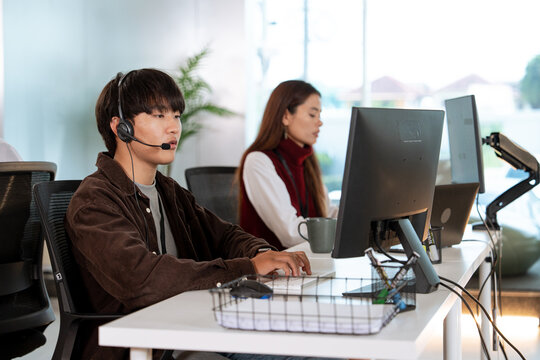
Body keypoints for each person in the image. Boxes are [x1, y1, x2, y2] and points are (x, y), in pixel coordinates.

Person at [65, 69, 314, 360]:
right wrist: (249, 267)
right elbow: (143, 279)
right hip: (145, 346)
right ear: (121, 128)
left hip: (192, 327)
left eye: (177, 116)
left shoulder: (169, 191)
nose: (173, 128)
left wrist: (263, 253)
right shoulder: (95, 201)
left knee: (309, 342)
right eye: (159, 116)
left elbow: (224, 235)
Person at [237, 80, 338, 250]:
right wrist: (340, 230)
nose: (319, 122)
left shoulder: (307, 162)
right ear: (285, 116)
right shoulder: (259, 161)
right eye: (312, 115)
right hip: (274, 272)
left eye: (320, 115)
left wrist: (360, 218)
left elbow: (326, 212)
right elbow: (290, 233)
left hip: (310, 263)